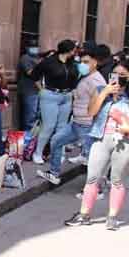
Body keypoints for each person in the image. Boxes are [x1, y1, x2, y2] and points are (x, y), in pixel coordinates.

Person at [65, 58, 129, 231]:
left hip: (126, 140)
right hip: (101, 137)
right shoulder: (100, 90)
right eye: (115, 73)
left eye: (123, 74)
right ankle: (84, 214)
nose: (118, 77)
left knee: (116, 179)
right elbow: (91, 112)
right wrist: (105, 92)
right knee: (92, 177)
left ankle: (112, 217)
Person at [41, 48, 104, 185]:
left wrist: (94, 123)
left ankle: (95, 188)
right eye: (81, 61)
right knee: (56, 140)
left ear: (95, 63)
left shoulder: (97, 81)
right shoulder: (85, 76)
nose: (82, 65)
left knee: (91, 158)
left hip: (87, 124)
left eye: (86, 62)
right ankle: (54, 174)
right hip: (76, 122)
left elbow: (101, 103)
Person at [27, 40, 80, 164]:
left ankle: (58, 154)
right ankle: (38, 153)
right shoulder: (49, 61)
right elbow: (34, 75)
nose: (75, 52)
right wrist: (41, 90)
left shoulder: (72, 63)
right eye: (74, 49)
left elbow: (74, 80)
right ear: (68, 50)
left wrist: (74, 93)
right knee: (48, 126)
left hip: (67, 96)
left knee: (62, 127)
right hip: (50, 95)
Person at [17, 44, 40, 137]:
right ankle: (27, 138)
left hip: (36, 90)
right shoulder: (25, 58)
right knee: (30, 117)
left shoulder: (36, 58)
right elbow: (31, 73)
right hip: (29, 91)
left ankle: (32, 137)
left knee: (35, 117)